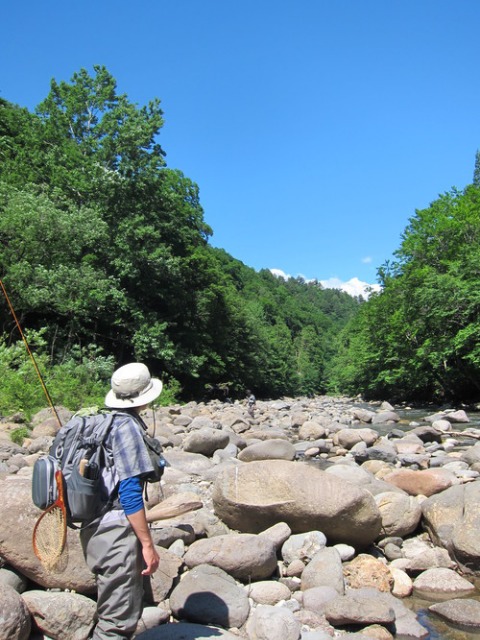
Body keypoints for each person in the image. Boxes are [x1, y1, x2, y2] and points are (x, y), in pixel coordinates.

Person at [80, 362, 163, 640]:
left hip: (91, 526)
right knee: (116, 624)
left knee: (109, 607)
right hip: (116, 533)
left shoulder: (97, 420)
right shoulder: (126, 428)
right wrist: (148, 545)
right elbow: (129, 494)